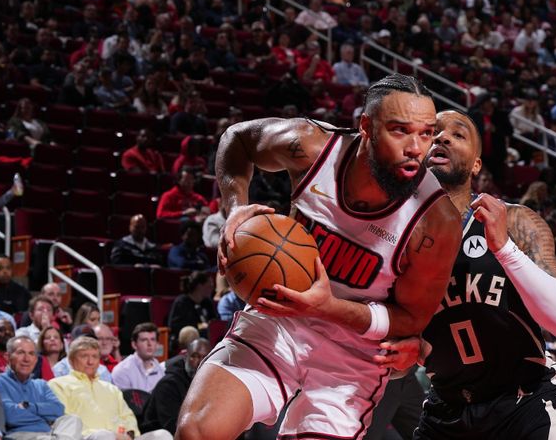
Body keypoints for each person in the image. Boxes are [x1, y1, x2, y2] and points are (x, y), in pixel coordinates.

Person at [176, 74, 462, 440]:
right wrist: (234, 208)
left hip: (353, 355)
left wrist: (326, 307)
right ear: (366, 127)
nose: (415, 148)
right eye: (400, 131)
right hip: (278, 322)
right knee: (198, 430)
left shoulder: (436, 222)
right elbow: (238, 139)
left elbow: (410, 320)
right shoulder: (312, 147)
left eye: (425, 134)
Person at [376, 110, 556, 439]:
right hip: (447, 407)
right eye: (434, 133)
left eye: (457, 135)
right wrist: (405, 353)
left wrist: (504, 248)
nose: (442, 138)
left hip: (524, 401)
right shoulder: (390, 238)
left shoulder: (513, 221)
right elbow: (395, 341)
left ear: (476, 165)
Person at [48, 336, 172, 440]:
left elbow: (127, 416)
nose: (90, 362)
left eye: (95, 357)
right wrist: (113, 435)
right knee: (103, 436)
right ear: (71, 360)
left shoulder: (111, 388)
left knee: (162, 435)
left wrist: (129, 433)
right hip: (88, 437)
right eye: (84, 356)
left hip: (121, 437)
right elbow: (65, 421)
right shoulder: (58, 385)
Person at [0, 335, 82, 440]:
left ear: (35, 360)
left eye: (31, 354)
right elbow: (10, 416)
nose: (26, 359)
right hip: (20, 435)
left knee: (73, 419)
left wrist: (30, 407)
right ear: (7, 357)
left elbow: (58, 410)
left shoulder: (41, 384)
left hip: (49, 434)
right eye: (21, 353)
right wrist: (44, 413)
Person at [140, 339, 211, 435]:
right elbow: (173, 427)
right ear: (185, 357)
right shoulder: (168, 385)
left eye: (205, 358)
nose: (200, 363)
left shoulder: (209, 384)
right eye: (195, 356)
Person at [167, 272, 216, 353]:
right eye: (209, 285)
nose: (212, 288)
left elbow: (213, 321)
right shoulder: (182, 302)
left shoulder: (207, 303)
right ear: (199, 286)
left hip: (206, 339)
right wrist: (200, 326)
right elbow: (176, 327)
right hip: (188, 340)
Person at [111, 322, 164, 392]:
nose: (149, 344)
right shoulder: (122, 371)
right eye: (144, 340)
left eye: (153, 339)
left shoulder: (161, 371)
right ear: (134, 344)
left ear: (157, 344)